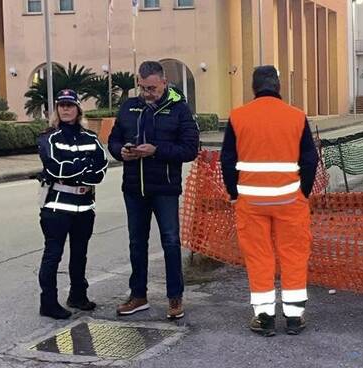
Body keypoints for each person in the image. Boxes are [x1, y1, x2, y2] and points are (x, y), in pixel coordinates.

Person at [220, 65, 318, 336]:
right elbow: (310, 159)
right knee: (294, 254)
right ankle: (294, 318)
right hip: (290, 200)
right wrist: (304, 192)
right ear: (278, 87)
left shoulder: (238, 116)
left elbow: (227, 160)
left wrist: (233, 193)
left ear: (253, 88)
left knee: (259, 256)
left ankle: (264, 317)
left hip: (251, 202)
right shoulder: (296, 116)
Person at [108, 61, 199, 320]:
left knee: (170, 241)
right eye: (143, 88)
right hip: (134, 187)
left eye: (152, 88)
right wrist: (121, 151)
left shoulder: (179, 110)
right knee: (137, 242)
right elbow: (113, 140)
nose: (147, 93)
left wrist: (157, 150)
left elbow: (190, 149)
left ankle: (174, 298)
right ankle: (138, 295)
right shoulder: (128, 107)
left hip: (165, 188)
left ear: (164, 83)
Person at [37, 89, 108, 319]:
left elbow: (101, 170)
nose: (65, 109)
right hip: (57, 207)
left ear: (78, 109)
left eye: (70, 105)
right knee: (52, 255)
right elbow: (55, 168)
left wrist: (75, 169)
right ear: (56, 109)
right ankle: (48, 303)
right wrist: (85, 166)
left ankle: (78, 295)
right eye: (61, 105)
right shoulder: (49, 137)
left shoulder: (91, 138)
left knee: (80, 254)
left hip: (85, 206)